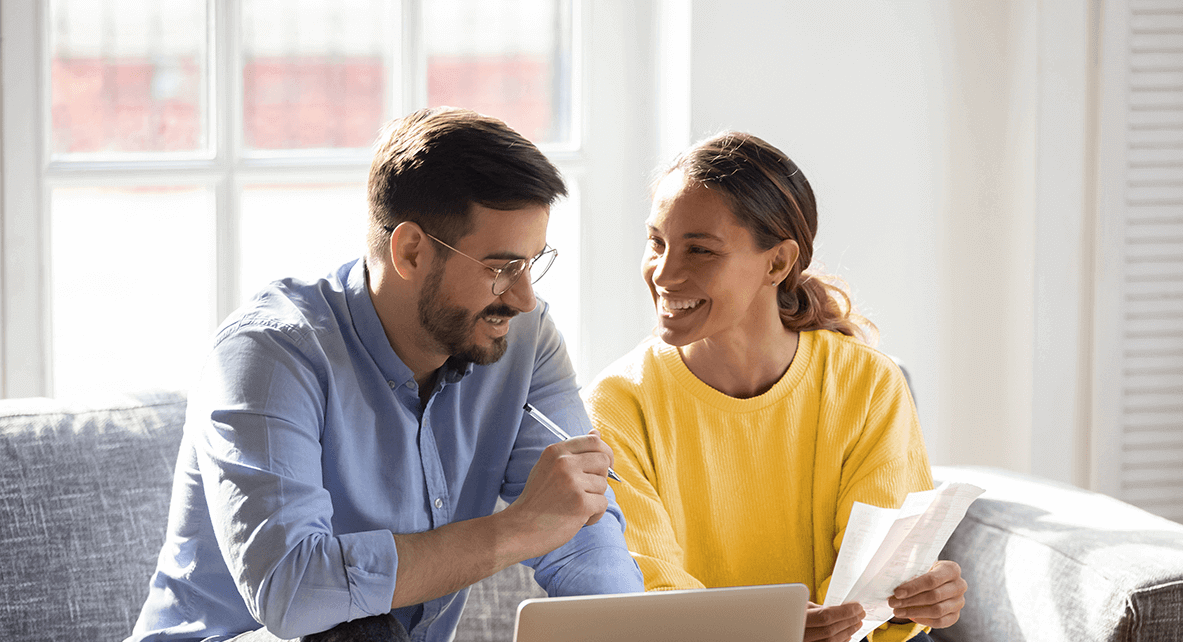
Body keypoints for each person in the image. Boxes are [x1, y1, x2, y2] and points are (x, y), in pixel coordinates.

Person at [127, 107, 642, 642]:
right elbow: (295, 589)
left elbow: (582, 527)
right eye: (501, 268)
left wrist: (628, 631)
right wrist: (513, 531)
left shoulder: (522, 340)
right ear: (411, 251)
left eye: (534, 262)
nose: (524, 296)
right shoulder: (268, 354)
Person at [585, 132, 966, 642]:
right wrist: (772, 630)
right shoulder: (617, 403)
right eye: (657, 241)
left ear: (778, 262)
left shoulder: (867, 384)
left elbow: (874, 586)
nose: (664, 273)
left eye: (699, 250)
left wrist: (911, 602)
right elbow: (648, 593)